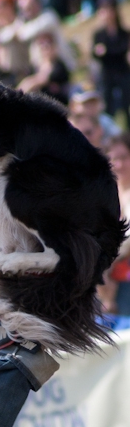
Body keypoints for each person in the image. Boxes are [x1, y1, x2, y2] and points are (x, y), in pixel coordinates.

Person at [100, 133, 130, 315]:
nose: (118, 165)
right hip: (106, 282)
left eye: (124, 158)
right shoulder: (106, 195)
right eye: (113, 160)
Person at [92, 0, 130, 128]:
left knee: (126, 104)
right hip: (107, 75)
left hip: (122, 72)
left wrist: (107, 52)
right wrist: (111, 53)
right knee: (108, 106)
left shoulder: (124, 33)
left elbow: (122, 51)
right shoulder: (99, 35)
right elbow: (96, 54)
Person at [18, 31, 70, 105]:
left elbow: (42, 80)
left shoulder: (59, 66)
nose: (45, 47)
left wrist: (29, 82)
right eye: (41, 43)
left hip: (56, 104)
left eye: (48, 43)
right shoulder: (34, 68)